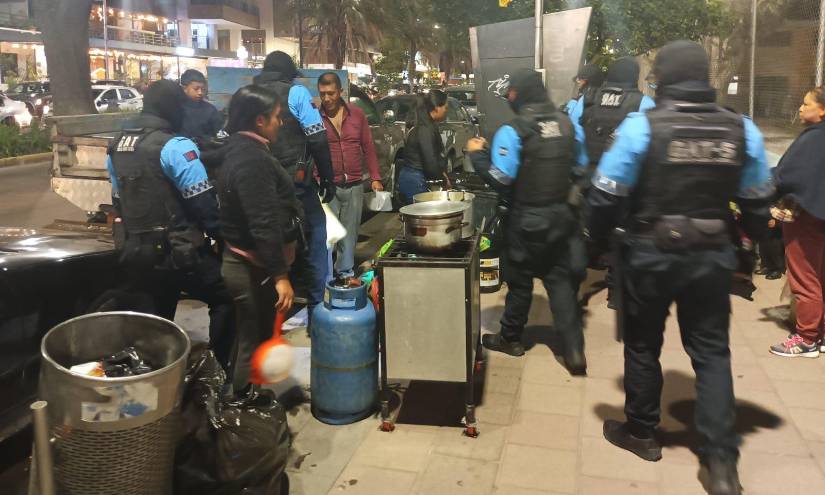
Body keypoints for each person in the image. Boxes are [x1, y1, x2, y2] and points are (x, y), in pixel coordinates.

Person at [585, 41, 773, 495]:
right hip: (711, 254)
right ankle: (721, 462)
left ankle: (642, 432)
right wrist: (753, 250)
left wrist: (598, 241)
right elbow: (757, 201)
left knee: (643, 344)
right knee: (711, 352)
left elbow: (605, 195)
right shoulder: (741, 128)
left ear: (663, 79)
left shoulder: (642, 127)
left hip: (649, 254)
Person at [467, 68, 589, 375]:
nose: (508, 96)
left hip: (526, 221)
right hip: (561, 218)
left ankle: (510, 338)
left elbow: (502, 179)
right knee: (559, 282)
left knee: (520, 281)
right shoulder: (568, 123)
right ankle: (574, 350)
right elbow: (582, 167)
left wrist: (478, 155)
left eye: (510, 92)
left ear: (518, 94)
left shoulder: (514, 130)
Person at [106, 79, 235, 370]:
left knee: (156, 317)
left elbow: (118, 199)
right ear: (173, 108)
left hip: (136, 253)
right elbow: (202, 204)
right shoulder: (174, 146)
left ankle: (156, 375)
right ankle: (220, 370)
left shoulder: (117, 146)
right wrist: (225, 238)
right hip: (178, 254)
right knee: (227, 295)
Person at [216, 85, 302, 391]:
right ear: (259, 121)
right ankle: (241, 406)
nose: (280, 122)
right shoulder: (251, 160)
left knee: (251, 338)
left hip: (249, 262)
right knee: (252, 345)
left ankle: (244, 400)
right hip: (252, 267)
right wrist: (280, 276)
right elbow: (262, 222)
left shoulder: (245, 149)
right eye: (276, 116)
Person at [253, 51, 336, 313]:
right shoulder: (296, 93)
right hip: (295, 184)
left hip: (257, 186)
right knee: (315, 237)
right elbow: (317, 138)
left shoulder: (247, 94)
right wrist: (328, 177)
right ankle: (316, 307)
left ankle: (270, 310)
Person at [769, 86, 825, 357]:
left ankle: (806, 339)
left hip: (807, 217)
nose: (800, 108)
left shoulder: (814, 137)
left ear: (822, 110)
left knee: (805, 278)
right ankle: (820, 334)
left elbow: (787, 176)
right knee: (821, 277)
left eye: (806, 104)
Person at [317, 72, 383, 280]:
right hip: (328, 187)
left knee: (349, 233)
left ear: (340, 92)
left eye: (331, 93)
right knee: (327, 235)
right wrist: (316, 179)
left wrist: (375, 177)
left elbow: (368, 146)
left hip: (354, 184)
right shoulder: (316, 117)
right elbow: (311, 150)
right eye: (322, 94)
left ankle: (345, 274)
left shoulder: (357, 115)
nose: (327, 98)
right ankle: (327, 278)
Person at [398, 90, 449, 205]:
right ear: (436, 108)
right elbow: (430, 159)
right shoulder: (425, 129)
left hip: (415, 178)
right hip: (415, 181)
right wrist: (442, 179)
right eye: (445, 108)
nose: (446, 111)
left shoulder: (426, 125)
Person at [179, 69, 225, 143]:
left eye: (203, 89)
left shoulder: (210, 110)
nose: (200, 92)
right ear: (184, 88)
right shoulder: (176, 108)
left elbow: (220, 134)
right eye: (196, 89)